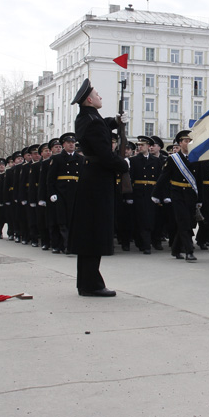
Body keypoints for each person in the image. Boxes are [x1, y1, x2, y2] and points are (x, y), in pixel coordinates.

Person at [68, 78, 129, 297]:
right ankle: (91, 284)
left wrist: (115, 120)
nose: (100, 97)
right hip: (97, 181)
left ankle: (87, 281)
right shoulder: (92, 120)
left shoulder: (88, 118)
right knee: (94, 232)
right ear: (89, 100)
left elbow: (101, 125)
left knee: (89, 232)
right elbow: (104, 154)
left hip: (92, 178)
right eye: (97, 94)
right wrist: (123, 164)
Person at [153, 130, 198, 261]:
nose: (188, 143)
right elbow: (163, 177)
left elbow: (199, 179)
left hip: (191, 194)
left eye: (190, 141)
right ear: (180, 143)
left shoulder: (196, 157)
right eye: (186, 141)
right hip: (177, 193)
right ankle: (189, 250)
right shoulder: (173, 159)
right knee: (183, 221)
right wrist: (156, 194)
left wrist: (200, 199)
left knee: (188, 222)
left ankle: (175, 248)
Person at [128, 135, 163, 254]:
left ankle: (147, 242)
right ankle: (144, 244)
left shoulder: (156, 161)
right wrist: (129, 196)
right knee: (141, 219)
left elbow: (159, 179)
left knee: (151, 218)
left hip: (152, 192)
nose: (140, 147)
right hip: (139, 193)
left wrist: (160, 195)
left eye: (142, 145)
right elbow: (130, 179)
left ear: (148, 146)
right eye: (138, 145)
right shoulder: (134, 160)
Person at [47, 134, 81, 254]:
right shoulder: (57, 159)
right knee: (62, 221)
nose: (71, 144)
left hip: (76, 193)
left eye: (73, 142)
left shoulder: (80, 158)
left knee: (74, 221)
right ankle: (65, 245)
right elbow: (50, 179)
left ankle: (71, 244)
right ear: (63, 145)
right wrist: (52, 193)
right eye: (68, 142)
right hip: (61, 193)